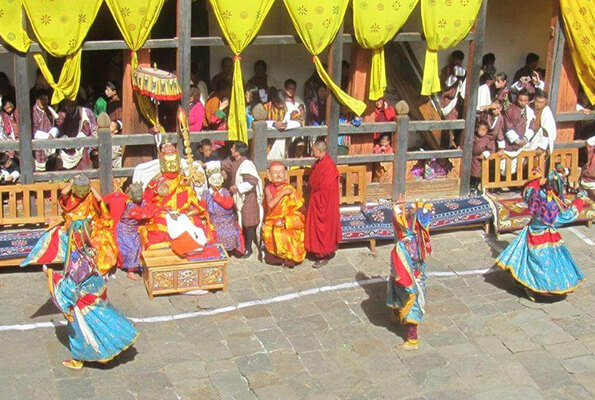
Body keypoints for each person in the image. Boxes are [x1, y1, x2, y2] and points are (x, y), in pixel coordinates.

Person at [23, 176, 135, 370]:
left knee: (80, 330)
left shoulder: (76, 262)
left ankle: (79, 359)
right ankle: (109, 348)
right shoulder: (93, 255)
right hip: (96, 295)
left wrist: (49, 275)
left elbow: (68, 288)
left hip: (83, 301)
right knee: (104, 322)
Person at [496, 166, 588, 301]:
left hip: (534, 231)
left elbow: (528, 190)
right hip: (541, 236)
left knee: (532, 260)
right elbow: (566, 216)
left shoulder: (537, 195)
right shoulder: (547, 207)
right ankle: (536, 286)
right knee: (542, 264)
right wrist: (579, 200)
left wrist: (536, 178)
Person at [142, 141, 215, 249]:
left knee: (196, 222)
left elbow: (193, 200)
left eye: (174, 161)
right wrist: (165, 211)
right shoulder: (155, 182)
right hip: (163, 212)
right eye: (168, 162)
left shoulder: (183, 180)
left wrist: (185, 213)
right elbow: (147, 202)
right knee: (160, 227)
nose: (172, 166)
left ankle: (192, 247)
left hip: (183, 212)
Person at [386, 197, 434, 350]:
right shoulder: (421, 239)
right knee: (395, 287)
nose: (410, 211)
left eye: (413, 210)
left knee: (411, 301)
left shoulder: (408, 239)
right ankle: (395, 313)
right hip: (405, 271)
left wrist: (398, 209)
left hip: (409, 277)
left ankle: (412, 340)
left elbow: (399, 222)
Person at [222, 142, 263, 259]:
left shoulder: (247, 164)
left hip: (248, 197)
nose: (231, 149)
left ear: (238, 152)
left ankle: (249, 248)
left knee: (249, 223)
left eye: (233, 148)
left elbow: (252, 182)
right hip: (240, 197)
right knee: (242, 222)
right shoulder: (234, 162)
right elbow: (224, 165)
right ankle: (243, 245)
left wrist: (237, 187)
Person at [262, 162, 306, 268]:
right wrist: (283, 193)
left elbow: (300, 211)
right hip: (272, 220)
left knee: (287, 235)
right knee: (273, 232)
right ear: (269, 176)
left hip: (288, 222)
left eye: (281, 172)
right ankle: (278, 258)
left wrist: (286, 221)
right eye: (275, 173)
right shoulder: (269, 189)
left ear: (286, 175)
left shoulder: (291, 190)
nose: (278, 175)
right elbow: (271, 204)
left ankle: (289, 258)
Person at [306, 139, 342, 268]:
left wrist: (320, 202)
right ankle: (315, 251)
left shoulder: (327, 166)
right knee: (316, 227)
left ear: (320, 151)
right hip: (317, 199)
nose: (312, 152)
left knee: (324, 228)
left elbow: (326, 188)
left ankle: (323, 254)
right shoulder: (321, 162)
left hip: (324, 203)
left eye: (314, 150)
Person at [204, 172, 244, 256]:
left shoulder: (225, 192)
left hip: (227, 219)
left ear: (222, 180)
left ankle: (232, 250)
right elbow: (202, 207)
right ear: (210, 181)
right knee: (214, 232)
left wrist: (217, 197)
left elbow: (229, 204)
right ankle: (216, 251)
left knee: (233, 231)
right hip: (213, 219)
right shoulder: (206, 194)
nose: (217, 182)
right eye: (214, 179)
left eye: (219, 179)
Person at [115, 183, 150, 280]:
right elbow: (144, 215)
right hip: (125, 230)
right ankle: (130, 271)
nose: (139, 197)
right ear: (131, 196)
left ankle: (139, 268)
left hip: (134, 229)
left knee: (139, 248)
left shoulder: (142, 202)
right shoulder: (131, 207)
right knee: (131, 249)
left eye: (140, 195)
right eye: (136, 196)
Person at [56, 99, 97, 170]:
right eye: (66, 105)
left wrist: (77, 140)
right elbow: (59, 127)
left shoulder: (84, 112)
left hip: (80, 145)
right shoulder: (61, 114)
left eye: (70, 105)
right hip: (65, 146)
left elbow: (87, 127)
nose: (68, 107)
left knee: (83, 166)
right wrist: (65, 138)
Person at [499, 89, 535, 156]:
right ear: (517, 99)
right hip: (509, 145)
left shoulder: (530, 111)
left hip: (523, 145)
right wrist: (517, 141)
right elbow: (507, 127)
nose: (523, 103)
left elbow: (531, 126)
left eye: (525, 101)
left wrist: (525, 139)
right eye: (521, 100)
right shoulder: (510, 110)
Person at [32, 89, 59, 171]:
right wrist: (47, 136)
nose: (44, 102)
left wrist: (52, 133)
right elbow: (33, 130)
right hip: (39, 143)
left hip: (51, 141)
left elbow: (57, 123)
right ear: (37, 100)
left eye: (45, 99)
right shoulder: (32, 112)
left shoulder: (50, 110)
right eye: (41, 99)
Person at [528, 90, 556, 155]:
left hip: (537, 141)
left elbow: (546, 130)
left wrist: (542, 147)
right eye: (537, 101)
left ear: (545, 101)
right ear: (534, 99)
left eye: (542, 102)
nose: (538, 104)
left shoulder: (546, 111)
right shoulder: (529, 106)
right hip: (527, 138)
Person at [204, 80, 230, 151]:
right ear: (224, 90)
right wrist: (221, 109)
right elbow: (213, 120)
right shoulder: (215, 100)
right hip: (216, 137)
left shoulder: (218, 97)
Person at [470, 120, 495, 193]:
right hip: (473, 157)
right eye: (481, 129)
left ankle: (477, 186)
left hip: (481, 159)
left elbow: (491, 149)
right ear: (477, 129)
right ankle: (472, 186)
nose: (482, 132)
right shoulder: (473, 137)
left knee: (478, 173)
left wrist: (485, 153)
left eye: (484, 130)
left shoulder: (487, 139)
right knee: (471, 173)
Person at [440, 50, 466, 120]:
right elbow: (445, 85)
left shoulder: (462, 71)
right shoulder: (447, 69)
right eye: (456, 60)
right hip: (447, 99)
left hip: (457, 100)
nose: (457, 62)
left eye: (460, 60)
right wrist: (453, 76)